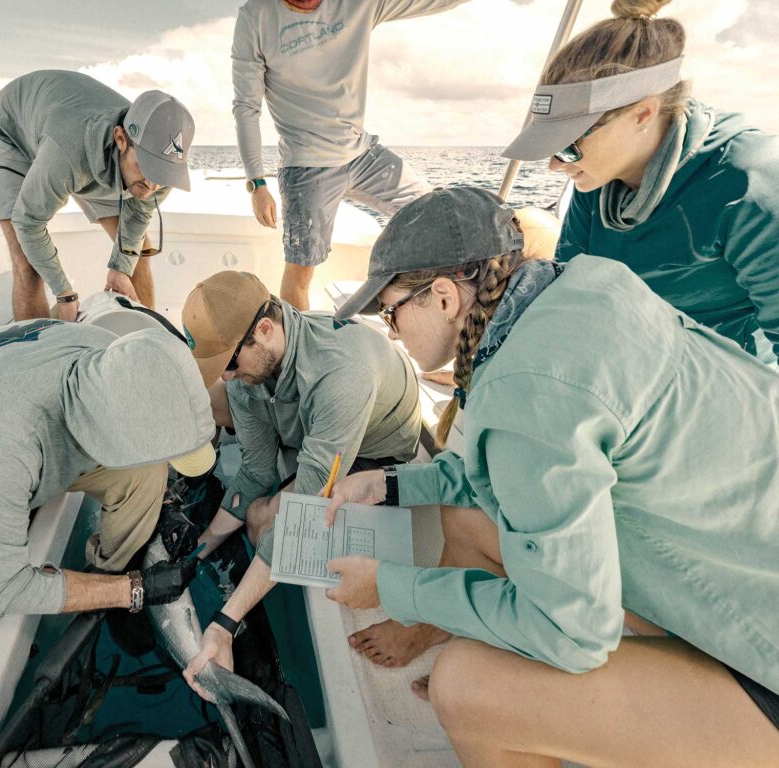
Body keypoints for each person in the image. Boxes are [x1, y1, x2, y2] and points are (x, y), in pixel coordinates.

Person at [323, 187, 779, 766]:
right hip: (742, 578)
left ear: (441, 299)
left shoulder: (525, 393)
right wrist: (391, 485)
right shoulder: (586, 290)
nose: (391, 330)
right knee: (467, 512)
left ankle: (501, 697)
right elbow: (509, 472)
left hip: (764, 667)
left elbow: (572, 635)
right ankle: (465, 636)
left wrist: (391, 587)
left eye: (391, 312)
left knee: (464, 687)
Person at [0, 319, 216, 673]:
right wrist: (132, 590)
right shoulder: (0, 440)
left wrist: (165, 503)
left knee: (147, 475)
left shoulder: (113, 357)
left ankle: (106, 568)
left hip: (27, 439)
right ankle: (109, 583)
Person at [176, 270, 422, 697]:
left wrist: (226, 621)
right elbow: (256, 470)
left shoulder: (342, 375)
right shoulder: (249, 369)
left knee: (266, 521)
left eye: (229, 364)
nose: (228, 377)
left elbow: (304, 514)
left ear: (265, 330)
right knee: (249, 493)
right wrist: (197, 550)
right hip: (317, 433)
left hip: (374, 452)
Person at [503, 0, 779, 367]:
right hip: (636, 374)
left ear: (642, 113)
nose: (554, 164)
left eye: (569, 146)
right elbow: (570, 299)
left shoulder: (749, 184)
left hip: (730, 392)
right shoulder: (596, 181)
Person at [232, 0, 468, 310]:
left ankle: (405, 297)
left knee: (434, 213)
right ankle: (300, 350)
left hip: (362, 153)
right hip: (306, 166)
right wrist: (257, 183)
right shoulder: (255, 17)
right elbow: (246, 107)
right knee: (301, 269)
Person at [0, 70, 195, 318]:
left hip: (80, 143)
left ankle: (145, 340)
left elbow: (138, 215)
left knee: (135, 253)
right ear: (121, 139)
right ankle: (38, 354)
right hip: (15, 130)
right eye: (146, 165)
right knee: (28, 264)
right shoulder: (67, 154)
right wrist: (64, 294)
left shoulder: (162, 169)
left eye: (161, 171)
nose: (152, 184)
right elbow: (28, 222)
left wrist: (121, 268)